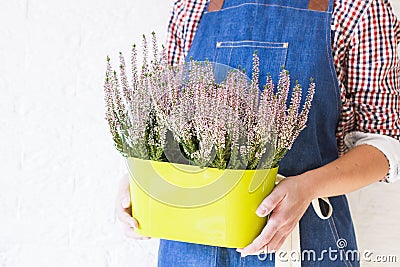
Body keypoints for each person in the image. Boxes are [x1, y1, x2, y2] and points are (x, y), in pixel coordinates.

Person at [116, 0, 400, 266]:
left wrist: (306, 188)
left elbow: (384, 145)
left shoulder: (358, 7)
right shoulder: (194, 6)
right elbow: (168, 121)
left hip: (304, 239)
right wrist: (140, 178)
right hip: (190, 244)